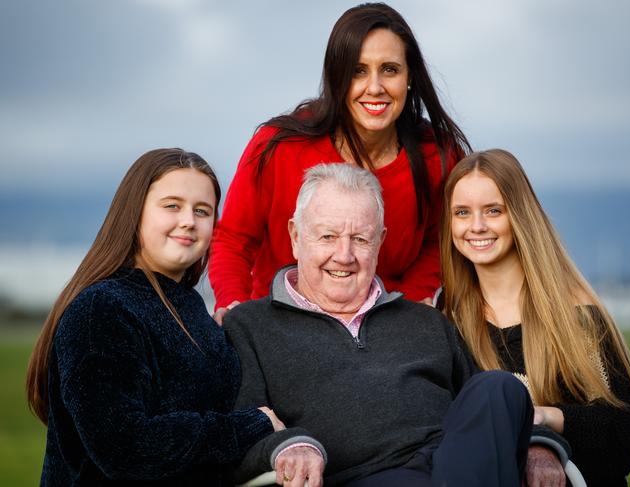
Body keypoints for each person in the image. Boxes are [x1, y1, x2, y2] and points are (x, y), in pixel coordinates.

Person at [223, 162, 552, 487]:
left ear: (380, 241)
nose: (344, 255)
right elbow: (237, 436)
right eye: (328, 236)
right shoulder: (250, 326)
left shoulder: (426, 321)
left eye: (360, 240)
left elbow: (488, 420)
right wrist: (289, 444)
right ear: (296, 236)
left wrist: (539, 446)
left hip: (452, 464)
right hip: (363, 476)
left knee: (499, 387)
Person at [26, 149, 286, 485]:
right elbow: (126, 447)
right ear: (134, 213)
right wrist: (249, 426)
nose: (189, 220)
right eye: (172, 206)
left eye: (202, 211)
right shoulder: (102, 310)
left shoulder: (189, 306)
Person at [210, 2, 471, 323]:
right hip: (279, 329)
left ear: (410, 77)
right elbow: (234, 239)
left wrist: (409, 311)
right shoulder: (278, 145)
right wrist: (235, 309)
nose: (374, 87)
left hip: (383, 330)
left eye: (389, 69)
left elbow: (438, 244)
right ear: (337, 77)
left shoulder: (438, 156)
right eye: (358, 71)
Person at [436, 149, 630, 487]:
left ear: (519, 215)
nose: (476, 226)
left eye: (493, 211)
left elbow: (627, 434)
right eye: (462, 212)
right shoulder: (445, 322)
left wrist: (544, 418)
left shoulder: (575, 313)